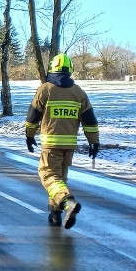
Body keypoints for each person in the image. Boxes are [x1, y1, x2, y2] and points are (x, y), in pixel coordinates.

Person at [24, 54, 100, 229]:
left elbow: (32, 117)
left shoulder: (46, 89)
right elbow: (90, 121)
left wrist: (29, 135)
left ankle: (67, 202)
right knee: (59, 180)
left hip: (51, 145)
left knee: (48, 175)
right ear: (70, 70)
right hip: (69, 146)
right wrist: (94, 142)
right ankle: (55, 214)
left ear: (52, 69)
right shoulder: (78, 92)